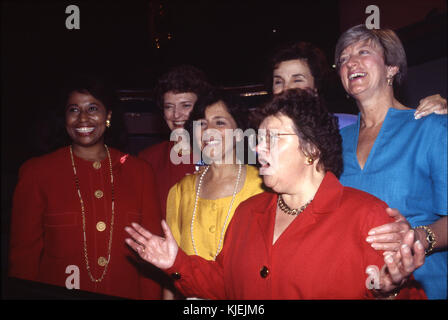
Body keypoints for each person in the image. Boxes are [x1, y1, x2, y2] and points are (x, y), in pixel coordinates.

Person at [125, 89, 426, 299]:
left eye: (272, 139)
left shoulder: (369, 218)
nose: (257, 148)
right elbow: (225, 285)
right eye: (258, 138)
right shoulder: (247, 211)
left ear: (311, 148)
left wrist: (390, 292)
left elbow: (402, 290)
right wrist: (175, 262)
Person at [8, 74, 164, 299]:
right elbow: (24, 257)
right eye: (73, 110)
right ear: (64, 118)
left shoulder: (139, 172)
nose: (83, 118)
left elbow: (150, 258)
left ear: (108, 116)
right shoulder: (36, 173)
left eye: (92, 109)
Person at [334, 24, 447, 299]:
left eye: (363, 51)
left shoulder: (431, 127)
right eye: (344, 58)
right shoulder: (336, 141)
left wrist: (418, 239)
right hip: (352, 286)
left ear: (392, 67)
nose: (351, 62)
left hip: (422, 284)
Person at [163, 89, 265, 299]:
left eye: (219, 122)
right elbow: (171, 271)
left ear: (239, 132)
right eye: (201, 124)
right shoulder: (181, 191)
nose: (208, 130)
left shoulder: (265, 187)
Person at [269, 41, 446, 127]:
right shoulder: (264, 137)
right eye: (278, 81)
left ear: (316, 87)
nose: (287, 88)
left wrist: (441, 113)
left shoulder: (346, 127)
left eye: (297, 79)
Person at [138, 65, 211, 217]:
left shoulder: (224, 155)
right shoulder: (147, 160)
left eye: (186, 106)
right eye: (169, 107)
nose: (176, 115)